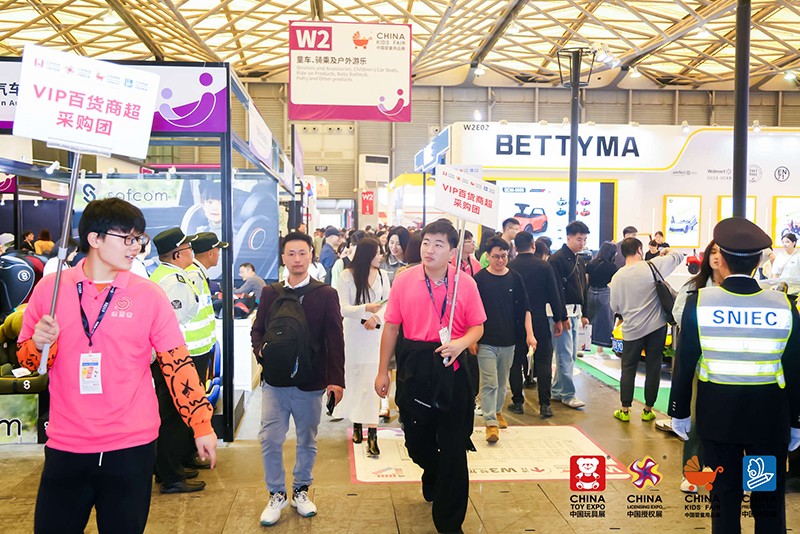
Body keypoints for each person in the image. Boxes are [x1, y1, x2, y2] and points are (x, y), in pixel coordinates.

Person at [17, 198, 216, 533]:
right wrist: (39, 343)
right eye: (127, 238)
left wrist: (201, 425)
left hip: (132, 447)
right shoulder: (50, 290)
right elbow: (29, 363)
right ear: (94, 239)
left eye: (139, 239)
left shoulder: (149, 295)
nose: (136, 247)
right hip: (67, 444)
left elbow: (178, 364)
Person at [669, 217, 800, 533]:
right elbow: (795, 368)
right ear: (759, 261)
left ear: (722, 259)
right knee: (767, 499)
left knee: (725, 497)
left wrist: (680, 411)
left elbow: (684, 362)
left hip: (718, 421)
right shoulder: (783, 305)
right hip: (768, 421)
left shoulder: (700, 303)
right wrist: (797, 420)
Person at [374, 219, 486, 534]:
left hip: (453, 366)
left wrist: (461, 343)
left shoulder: (465, 283)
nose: (430, 250)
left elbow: (478, 326)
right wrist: (382, 371)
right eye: (426, 242)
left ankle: (450, 522)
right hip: (415, 365)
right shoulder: (404, 280)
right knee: (416, 441)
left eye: (439, 244)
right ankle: (433, 470)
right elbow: (392, 327)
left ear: (452, 251)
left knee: (454, 448)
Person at [251, 231, 345, 527]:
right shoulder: (271, 293)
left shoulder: (325, 294)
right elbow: (257, 329)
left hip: (310, 383)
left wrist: (336, 379)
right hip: (275, 383)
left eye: (302, 253)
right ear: (283, 258)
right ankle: (276, 494)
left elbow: (335, 339)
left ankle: (301, 490)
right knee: (270, 438)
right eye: (291, 254)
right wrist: (262, 352)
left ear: (311, 256)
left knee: (307, 439)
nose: (297, 259)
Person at [150, 228, 214, 494]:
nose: (192, 252)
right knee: (174, 416)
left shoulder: (168, 275)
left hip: (173, 358)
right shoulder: (173, 281)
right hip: (173, 360)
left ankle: (170, 467)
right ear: (177, 254)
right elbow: (172, 325)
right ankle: (170, 476)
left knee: (172, 414)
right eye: (188, 248)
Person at [670, 240, 723, 493]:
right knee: (695, 416)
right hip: (699, 362)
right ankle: (691, 472)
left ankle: (735, 475)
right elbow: (678, 314)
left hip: (731, 366)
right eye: (712, 252)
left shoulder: (741, 289)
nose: (716, 257)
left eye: (721, 253)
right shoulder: (694, 287)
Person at [609, 237, 681, 422]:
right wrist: (666, 251)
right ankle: (648, 410)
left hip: (631, 329)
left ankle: (625, 410)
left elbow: (614, 307)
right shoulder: (652, 266)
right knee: (653, 367)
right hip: (656, 328)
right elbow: (679, 256)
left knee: (628, 368)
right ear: (640, 250)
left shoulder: (617, 277)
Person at [473, 237, 534, 442]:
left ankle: (497, 411)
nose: (500, 260)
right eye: (496, 256)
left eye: (504, 256)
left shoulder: (515, 278)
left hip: (509, 340)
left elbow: (525, 308)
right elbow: (471, 311)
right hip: (486, 340)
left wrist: (530, 334)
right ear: (487, 256)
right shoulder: (479, 279)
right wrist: (472, 339)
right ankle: (490, 423)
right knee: (489, 382)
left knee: (501, 382)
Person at [335, 237, 390, 457]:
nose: (381, 256)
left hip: (375, 337)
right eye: (378, 252)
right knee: (355, 382)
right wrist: (365, 309)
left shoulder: (383, 276)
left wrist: (376, 317)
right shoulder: (346, 276)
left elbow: (389, 303)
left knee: (372, 382)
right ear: (367, 254)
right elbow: (342, 308)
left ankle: (373, 434)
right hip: (353, 336)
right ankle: (357, 423)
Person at [509, 231, 565, 417]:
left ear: (515, 247)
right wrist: (558, 318)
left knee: (515, 362)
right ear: (533, 245)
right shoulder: (544, 266)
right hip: (539, 318)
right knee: (543, 360)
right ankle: (545, 405)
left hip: (516, 320)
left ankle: (518, 402)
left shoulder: (510, 267)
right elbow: (554, 294)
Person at [548, 220, 591, 409]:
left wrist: (584, 313)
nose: (582, 243)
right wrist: (561, 317)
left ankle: (557, 390)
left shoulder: (579, 260)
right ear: (569, 237)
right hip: (561, 314)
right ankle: (568, 394)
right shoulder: (556, 259)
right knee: (564, 355)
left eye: (584, 240)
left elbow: (583, 288)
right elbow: (555, 290)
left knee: (571, 355)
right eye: (579, 239)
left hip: (575, 312)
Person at [185, 231, 229, 383]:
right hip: (193, 349)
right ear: (210, 253)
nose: (219, 254)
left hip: (198, 347)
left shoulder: (197, 273)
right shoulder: (193, 276)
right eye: (218, 250)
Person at [586, 241, 618, 354]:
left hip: (590, 293)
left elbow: (586, 280)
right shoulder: (612, 267)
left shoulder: (591, 263)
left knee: (590, 320)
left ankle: (587, 343)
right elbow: (614, 284)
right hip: (604, 293)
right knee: (605, 321)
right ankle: (601, 347)